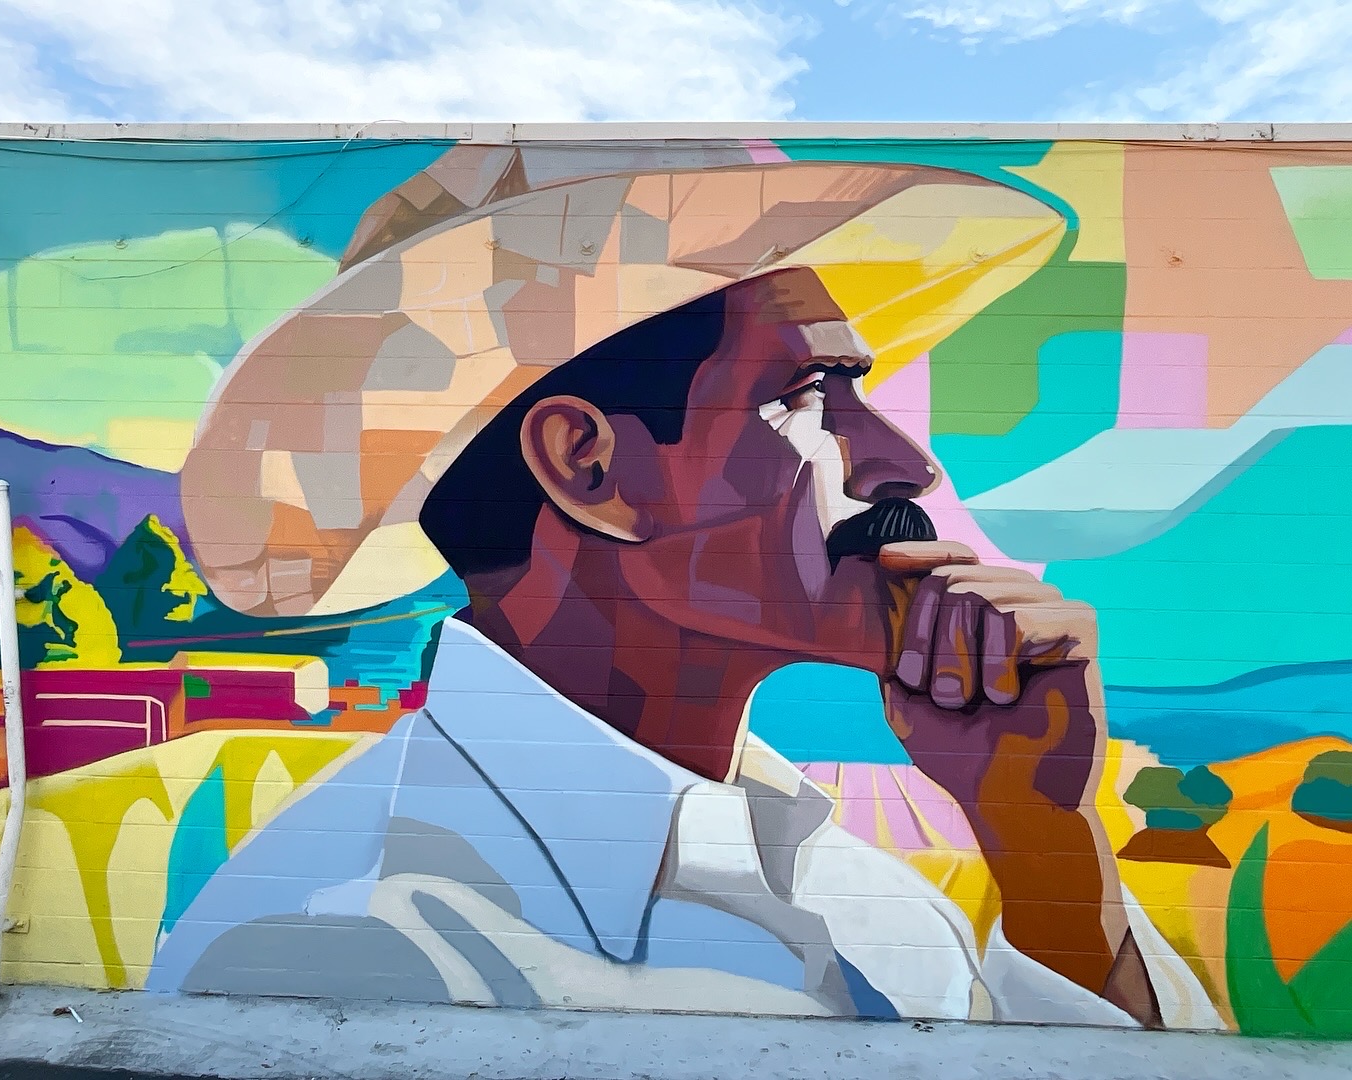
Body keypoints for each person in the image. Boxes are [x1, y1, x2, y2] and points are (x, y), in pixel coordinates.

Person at [154, 152, 1221, 1029]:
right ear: (587, 466)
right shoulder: (344, 950)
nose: (906, 466)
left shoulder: (875, 906)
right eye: (809, 397)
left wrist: (1046, 851)